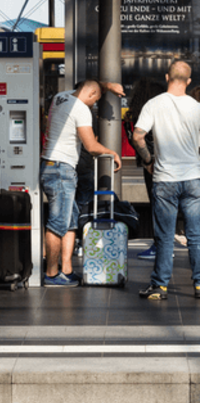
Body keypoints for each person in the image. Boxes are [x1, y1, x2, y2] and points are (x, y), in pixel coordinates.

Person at [41, 79, 122, 287]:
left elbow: (90, 86)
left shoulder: (61, 98)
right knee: (57, 223)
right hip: (61, 169)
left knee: (69, 221)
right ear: (92, 95)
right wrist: (112, 152)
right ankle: (51, 273)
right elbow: (91, 145)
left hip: (51, 165)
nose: (95, 104)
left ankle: (66, 270)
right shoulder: (81, 109)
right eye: (96, 100)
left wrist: (108, 87)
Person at [134, 61, 200, 300]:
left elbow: (138, 136)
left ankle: (160, 286)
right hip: (193, 178)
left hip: (165, 179)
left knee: (164, 236)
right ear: (189, 81)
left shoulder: (154, 104)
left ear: (166, 77)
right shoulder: (196, 107)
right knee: (196, 236)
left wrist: (149, 160)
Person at [125, 78, 168, 260]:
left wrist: (148, 160)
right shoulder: (164, 111)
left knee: (157, 206)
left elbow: (135, 139)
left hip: (150, 165)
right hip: (172, 164)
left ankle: (160, 247)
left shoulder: (135, 115)